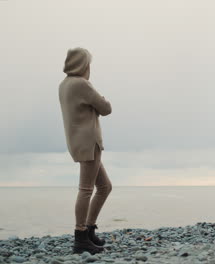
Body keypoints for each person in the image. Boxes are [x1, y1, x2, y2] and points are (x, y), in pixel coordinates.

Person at [58, 47, 113, 254]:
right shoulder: (81, 84)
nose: (89, 67)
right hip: (90, 142)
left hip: (77, 142)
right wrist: (103, 100)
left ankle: (88, 231)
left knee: (105, 186)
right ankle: (80, 237)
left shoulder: (63, 85)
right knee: (86, 189)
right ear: (83, 64)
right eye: (88, 63)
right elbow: (106, 108)